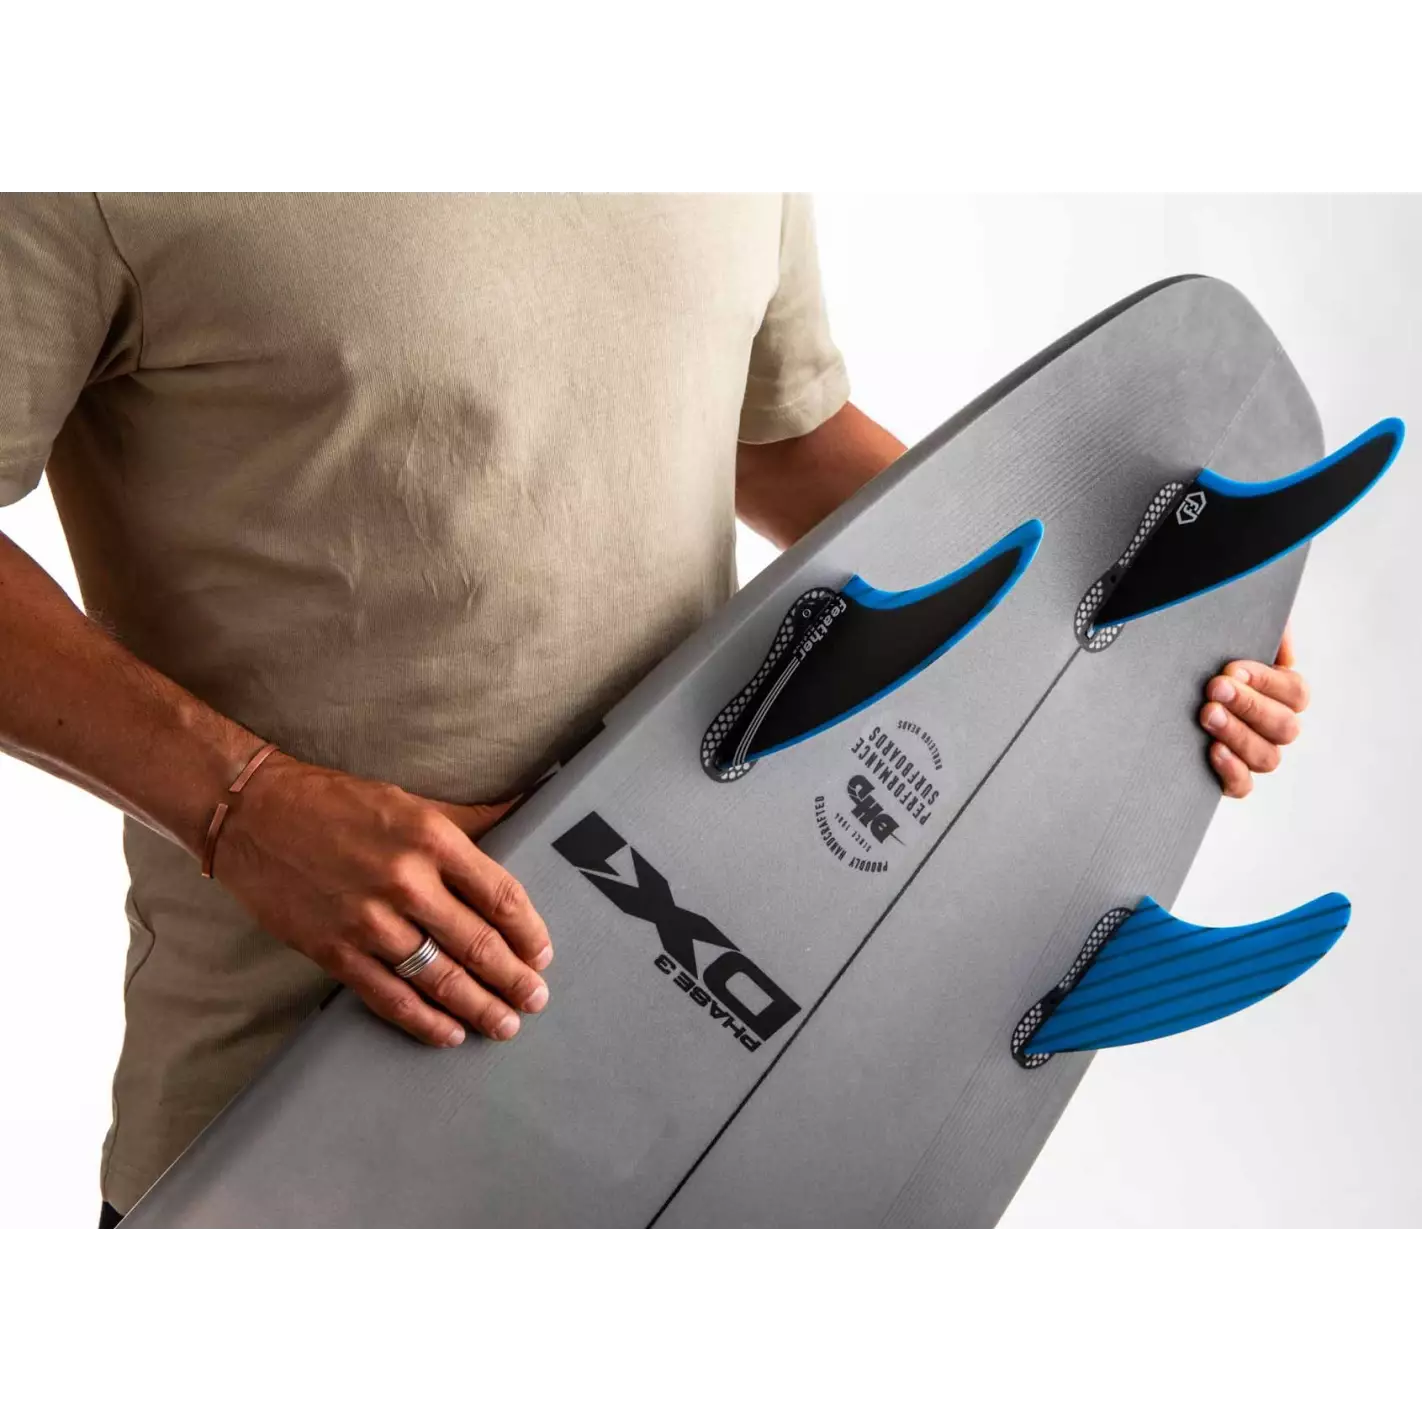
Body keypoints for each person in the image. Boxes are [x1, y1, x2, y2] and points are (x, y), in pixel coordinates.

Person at [0, 194, 1311, 1227]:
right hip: (288, 1138)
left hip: (692, 1105)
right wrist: (240, 805)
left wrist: (1141, 628)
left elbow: (779, 439)